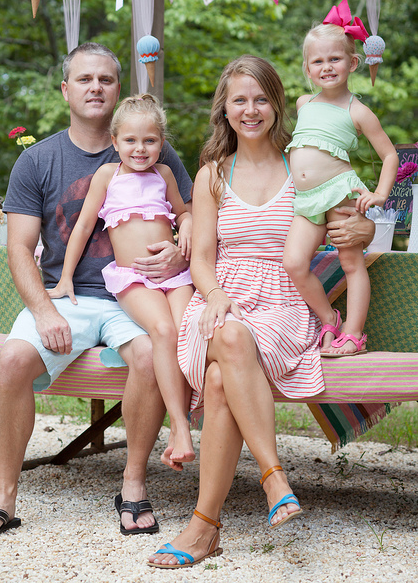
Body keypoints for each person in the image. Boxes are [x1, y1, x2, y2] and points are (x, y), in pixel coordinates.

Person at [147, 55, 375, 568]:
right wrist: (217, 295)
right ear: (224, 110)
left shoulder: (306, 164)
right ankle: (273, 478)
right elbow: (201, 258)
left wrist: (366, 229)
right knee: (226, 335)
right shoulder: (211, 175)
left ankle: (206, 525)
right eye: (239, 101)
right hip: (221, 297)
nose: (251, 110)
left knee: (225, 370)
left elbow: (358, 212)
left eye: (260, 99)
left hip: (282, 306)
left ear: (277, 103)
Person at [0, 43, 193, 538]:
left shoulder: (151, 147)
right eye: (84, 79)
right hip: (71, 298)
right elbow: (20, 248)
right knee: (11, 360)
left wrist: (178, 251)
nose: (95, 87)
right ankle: (5, 496)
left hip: (138, 294)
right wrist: (43, 310)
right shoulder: (38, 161)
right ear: (66, 90)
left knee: (149, 352)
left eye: (105, 79)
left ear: (118, 89)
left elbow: (193, 221)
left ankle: (133, 484)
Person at [48, 94, 195, 465]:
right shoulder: (106, 176)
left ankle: (196, 413)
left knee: (188, 330)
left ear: (162, 143)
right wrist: (66, 278)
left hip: (175, 275)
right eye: (130, 140)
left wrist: (188, 225)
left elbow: (183, 212)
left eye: (150, 140)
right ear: (115, 143)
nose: (140, 148)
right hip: (133, 279)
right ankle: (180, 427)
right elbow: (82, 227)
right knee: (163, 330)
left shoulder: (163, 174)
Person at [283, 0, 398, 357]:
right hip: (305, 199)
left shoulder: (357, 110)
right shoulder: (304, 103)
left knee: (351, 262)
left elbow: (390, 154)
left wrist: (380, 193)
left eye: (335, 59)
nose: (326, 67)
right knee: (294, 262)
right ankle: (328, 318)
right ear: (307, 68)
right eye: (318, 61)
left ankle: (353, 334)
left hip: (340, 192)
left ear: (352, 63)